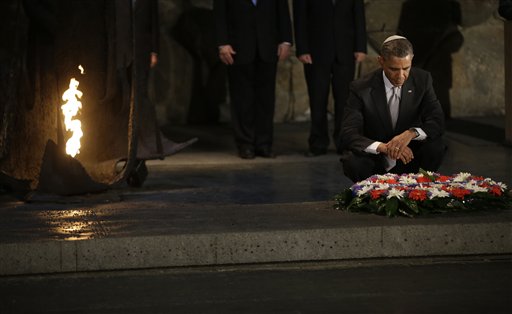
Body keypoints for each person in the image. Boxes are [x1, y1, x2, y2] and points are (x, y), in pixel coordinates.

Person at [339, 36, 445, 183]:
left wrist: (411, 133)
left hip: (409, 157)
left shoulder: (423, 80)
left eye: (406, 68)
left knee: (435, 146)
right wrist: (384, 147)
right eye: (394, 69)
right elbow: (348, 133)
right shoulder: (360, 87)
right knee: (352, 161)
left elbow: (437, 121)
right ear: (381, 61)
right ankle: (371, 193)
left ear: (412, 59)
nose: (401, 76)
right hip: (375, 159)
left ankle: (419, 188)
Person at [213, 0, 293, 159]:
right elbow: (219, 14)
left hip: (268, 47)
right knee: (242, 98)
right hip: (238, 47)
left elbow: (282, 12)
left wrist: (286, 41)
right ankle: (245, 144)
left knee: (266, 99)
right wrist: (222, 43)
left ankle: (264, 144)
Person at [293, 0, 367, 157]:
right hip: (315, 52)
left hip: (345, 52)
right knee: (317, 100)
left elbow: (358, 16)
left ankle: (344, 143)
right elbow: (300, 19)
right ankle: (318, 144)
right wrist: (302, 49)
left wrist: (360, 46)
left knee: (345, 101)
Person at [397, 0, 463, 120]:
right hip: (423, 54)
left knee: (435, 89)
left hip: (431, 55)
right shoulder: (449, 4)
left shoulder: (448, 4)